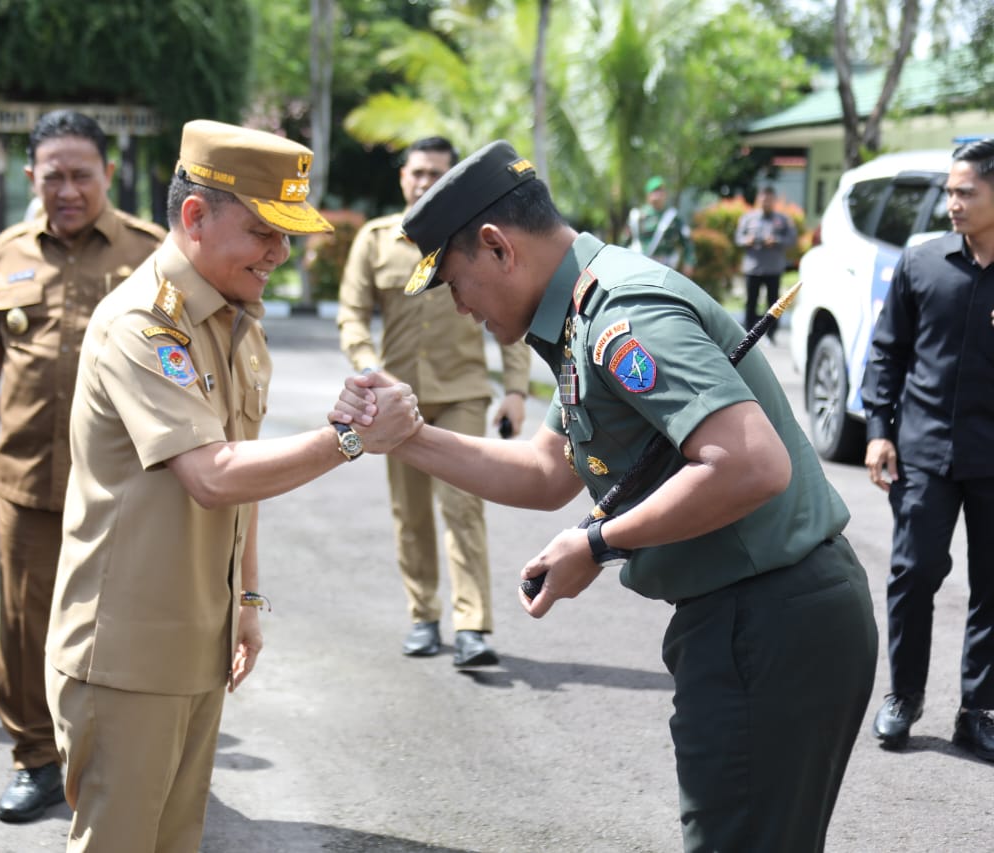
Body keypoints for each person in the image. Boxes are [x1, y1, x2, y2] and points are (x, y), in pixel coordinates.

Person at [334, 140, 878, 852]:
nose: (461, 308)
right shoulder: (577, 314)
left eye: (455, 282)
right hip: (753, 614)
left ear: (497, 246)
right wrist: (406, 436)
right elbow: (543, 471)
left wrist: (598, 542)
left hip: (769, 616)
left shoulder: (622, 311)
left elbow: (749, 464)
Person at [43, 119, 421, 853]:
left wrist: (245, 601)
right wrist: (348, 439)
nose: (280, 254)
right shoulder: (142, 325)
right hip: (124, 654)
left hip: (195, 643)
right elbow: (212, 477)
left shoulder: (233, 319)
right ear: (194, 217)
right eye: (261, 232)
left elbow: (241, 478)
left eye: (285, 235)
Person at [0, 110, 166, 823]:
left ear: (108, 175)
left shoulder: (152, 253)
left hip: (126, 487)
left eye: (81, 174)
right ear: (32, 177)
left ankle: (122, 762)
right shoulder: (6, 252)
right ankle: (35, 758)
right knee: (26, 626)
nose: (66, 188)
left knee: (125, 625)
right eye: (51, 175)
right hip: (27, 476)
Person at [336, 136, 530, 665]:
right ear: (403, 176)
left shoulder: (470, 241)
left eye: (435, 174)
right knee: (411, 514)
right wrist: (364, 363)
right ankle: (423, 616)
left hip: (462, 395)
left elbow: (510, 314)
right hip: (397, 401)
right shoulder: (376, 241)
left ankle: (472, 628)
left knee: (463, 509)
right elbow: (351, 311)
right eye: (417, 172)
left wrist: (514, 390)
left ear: (450, 179)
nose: (424, 182)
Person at [861, 137, 994, 761]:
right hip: (926, 448)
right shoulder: (922, 263)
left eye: (966, 191)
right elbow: (886, 350)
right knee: (914, 574)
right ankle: (903, 697)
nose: (952, 203)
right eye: (950, 191)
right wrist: (878, 431)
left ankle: (980, 709)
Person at [734, 185, 797, 340]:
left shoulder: (782, 220)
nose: (765, 203)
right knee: (751, 302)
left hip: (773, 268)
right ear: (758, 200)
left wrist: (776, 241)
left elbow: (791, 239)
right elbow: (738, 238)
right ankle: (748, 334)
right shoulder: (748, 218)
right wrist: (747, 240)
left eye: (769, 200)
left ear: (773, 201)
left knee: (774, 304)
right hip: (753, 268)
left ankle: (771, 334)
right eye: (763, 200)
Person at [623, 175, 696, 276]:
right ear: (647, 195)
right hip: (641, 268)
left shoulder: (673, 217)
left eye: (661, 191)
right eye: (654, 191)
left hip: (666, 268)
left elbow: (687, 242)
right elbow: (624, 242)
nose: (657, 195)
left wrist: (689, 262)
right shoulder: (637, 217)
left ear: (665, 194)